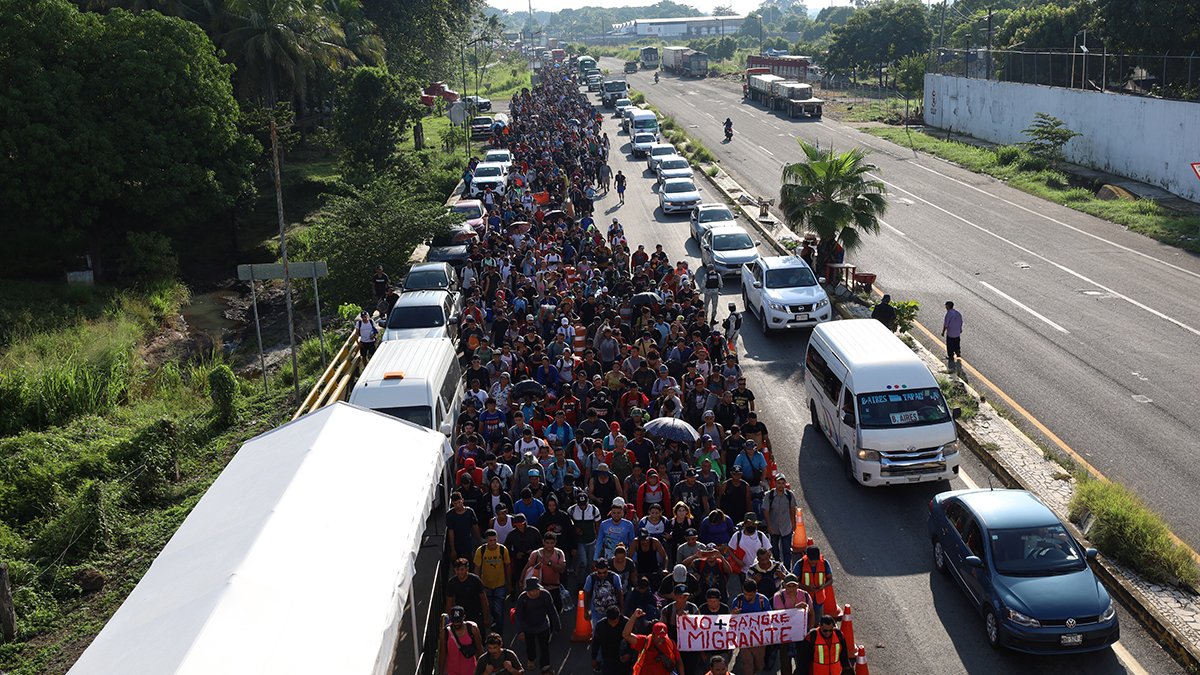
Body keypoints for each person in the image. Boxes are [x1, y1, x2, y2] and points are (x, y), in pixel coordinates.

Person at [513, 577, 560, 670]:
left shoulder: (545, 595)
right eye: (532, 591)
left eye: (536, 590)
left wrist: (557, 624)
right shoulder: (522, 598)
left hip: (543, 625)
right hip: (528, 627)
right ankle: (531, 659)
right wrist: (520, 631)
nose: (534, 592)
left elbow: (552, 610)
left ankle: (545, 666)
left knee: (544, 647)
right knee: (530, 646)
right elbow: (518, 615)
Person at [622, 610, 685, 675]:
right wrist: (634, 617)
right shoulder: (645, 641)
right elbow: (626, 635)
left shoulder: (670, 643)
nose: (661, 639)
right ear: (653, 634)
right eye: (659, 637)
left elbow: (678, 661)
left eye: (663, 637)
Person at [474, 530, 511, 634]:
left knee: (499, 610)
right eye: (490, 540)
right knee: (489, 608)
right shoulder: (481, 551)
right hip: (486, 585)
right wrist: (477, 584)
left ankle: (499, 633)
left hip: (500, 584)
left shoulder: (503, 550)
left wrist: (509, 583)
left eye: (495, 540)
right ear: (486, 540)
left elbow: (507, 566)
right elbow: (477, 568)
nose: (493, 542)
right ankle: (494, 625)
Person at [730, 579, 771, 675]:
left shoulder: (763, 600)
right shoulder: (738, 601)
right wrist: (733, 614)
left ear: (756, 592)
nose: (747, 597)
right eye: (745, 594)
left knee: (759, 664)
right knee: (747, 663)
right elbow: (732, 620)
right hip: (744, 638)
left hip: (760, 638)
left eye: (750, 595)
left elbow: (770, 618)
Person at [762, 477, 798, 569]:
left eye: (782, 483)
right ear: (775, 483)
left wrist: (794, 523)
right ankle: (777, 568)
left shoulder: (790, 495)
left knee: (786, 550)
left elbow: (792, 509)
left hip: (786, 527)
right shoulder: (769, 495)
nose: (781, 485)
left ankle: (787, 570)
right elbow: (765, 510)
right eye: (779, 483)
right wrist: (769, 525)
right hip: (773, 528)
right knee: (775, 550)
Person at [446, 557, 490, 630]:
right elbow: (449, 602)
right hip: (460, 615)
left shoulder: (475, 580)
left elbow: (484, 600)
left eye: (462, 569)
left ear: (467, 569)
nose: (460, 572)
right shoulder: (452, 583)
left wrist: (486, 617)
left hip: (476, 613)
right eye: (457, 570)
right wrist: (449, 620)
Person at [440, 605, 484, 675]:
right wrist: (440, 672)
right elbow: (442, 654)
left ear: (464, 617)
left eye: (458, 621)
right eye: (454, 621)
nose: (456, 624)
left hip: (471, 670)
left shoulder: (472, 629)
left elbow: (479, 649)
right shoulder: (445, 632)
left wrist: (483, 669)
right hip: (452, 671)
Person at [584, 558, 625, 631]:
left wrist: (621, 609)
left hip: (612, 612)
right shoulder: (590, 578)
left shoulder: (615, 577)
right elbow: (586, 594)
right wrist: (585, 610)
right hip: (597, 612)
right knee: (596, 633)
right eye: (599, 573)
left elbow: (620, 593)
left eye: (604, 572)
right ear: (596, 570)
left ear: (608, 569)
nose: (602, 575)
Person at [592, 605, 633, 675]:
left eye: (615, 621)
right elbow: (596, 643)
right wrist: (594, 658)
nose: (612, 624)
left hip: (623, 657)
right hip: (607, 657)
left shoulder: (626, 623)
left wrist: (629, 653)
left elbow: (633, 640)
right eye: (610, 621)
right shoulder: (600, 625)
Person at [942, 300, 963, 366]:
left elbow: (946, 324)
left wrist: (943, 332)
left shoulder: (948, 314)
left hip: (950, 333)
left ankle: (951, 356)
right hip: (957, 332)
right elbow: (961, 322)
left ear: (948, 306)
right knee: (957, 343)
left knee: (950, 345)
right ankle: (958, 352)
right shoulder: (958, 313)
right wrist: (960, 329)